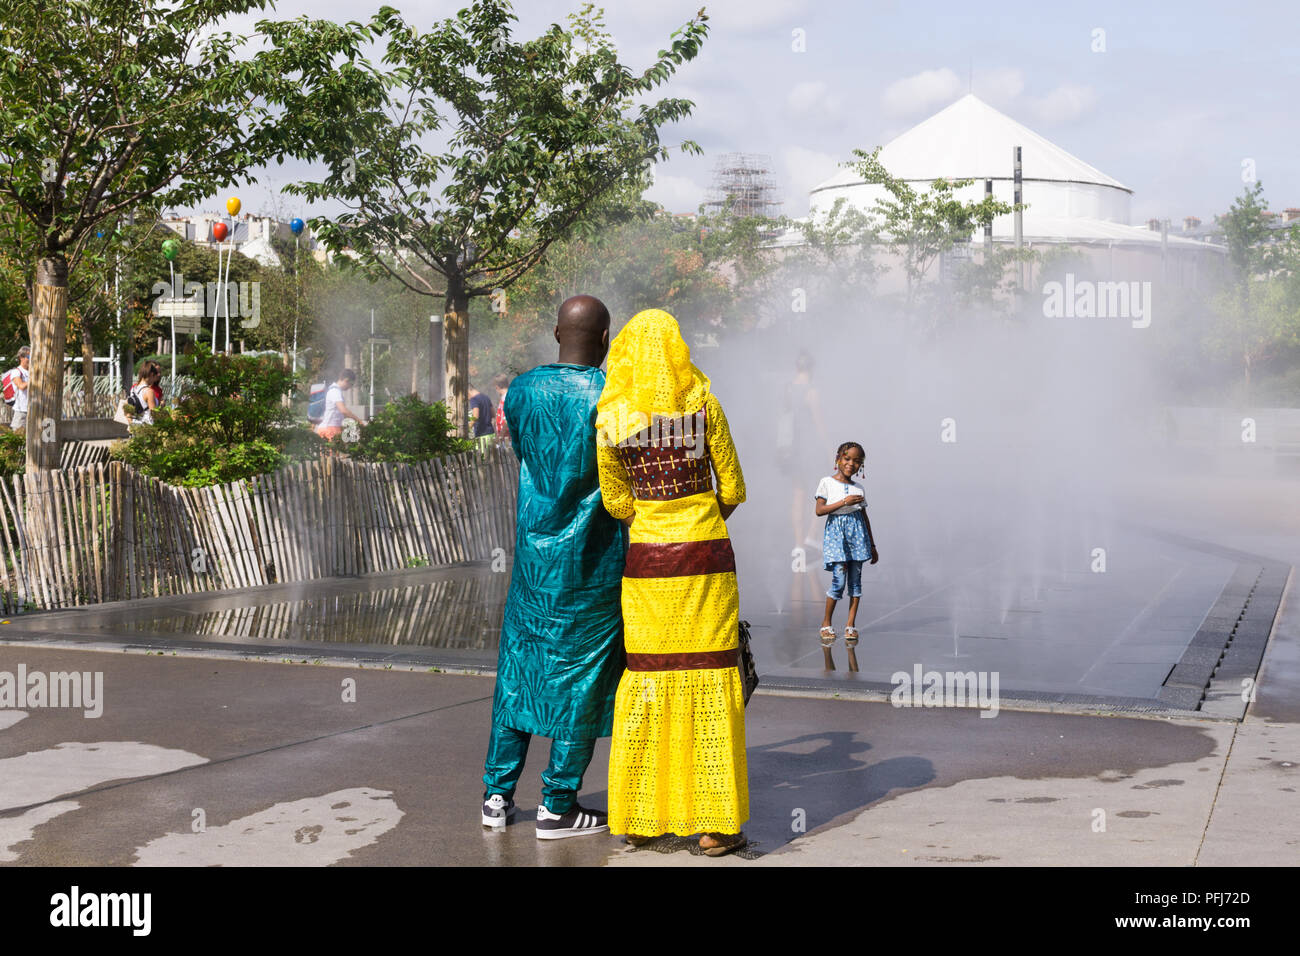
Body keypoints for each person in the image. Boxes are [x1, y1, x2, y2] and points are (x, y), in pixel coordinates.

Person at [595, 308, 749, 857]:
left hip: (648, 564)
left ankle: (641, 816)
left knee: (650, 674)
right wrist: (697, 521)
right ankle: (714, 824)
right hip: (706, 556)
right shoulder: (704, 406)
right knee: (707, 672)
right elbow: (731, 487)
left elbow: (616, 503)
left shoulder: (612, 418)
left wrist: (656, 519)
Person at [481, 294, 627, 839]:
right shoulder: (613, 396)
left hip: (534, 558)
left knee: (519, 671)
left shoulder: (521, 389)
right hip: (592, 562)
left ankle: (496, 797)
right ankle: (558, 804)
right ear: (606, 338)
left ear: (554, 331)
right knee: (580, 678)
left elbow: (526, 454)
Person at [815, 441, 879, 670]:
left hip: (857, 536)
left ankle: (851, 624)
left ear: (861, 465)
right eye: (847, 458)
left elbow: (865, 517)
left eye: (856, 461)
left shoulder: (859, 489)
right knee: (838, 579)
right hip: (836, 536)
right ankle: (826, 622)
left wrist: (872, 545)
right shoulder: (826, 482)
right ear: (838, 458)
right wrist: (844, 502)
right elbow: (819, 510)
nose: (851, 464)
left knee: (855, 581)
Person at [315, 369, 362, 441]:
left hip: (332, 428)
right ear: (346, 380)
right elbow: (343, 411)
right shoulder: (335, 391)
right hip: (330, 429)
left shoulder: (336, 390)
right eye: (351, 384)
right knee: (332, 452)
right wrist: (359, 421)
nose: (350, 387)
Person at [128, 361, 162, 426]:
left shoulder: (133, 388)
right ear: (152, 374)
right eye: (154, 376)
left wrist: (132, 424)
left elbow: (128, 411)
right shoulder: (149, 391)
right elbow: (153, 414)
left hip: (136, 426)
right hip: (147, 427)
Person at [9, 346, 30, 432]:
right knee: (18, 441)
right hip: (21, 411)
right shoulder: (16, 371)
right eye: (28, 357)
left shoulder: (32, 372)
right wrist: (35, 379)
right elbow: (21, 386)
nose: (31, 359)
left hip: (33, 410)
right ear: (21, 357)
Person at [492, 373, 511, 442]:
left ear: (497, 387)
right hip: (505, 436)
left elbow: (507, 420)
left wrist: (501, 435)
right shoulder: (504, 397)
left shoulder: (506, 398)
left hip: (507, 438)